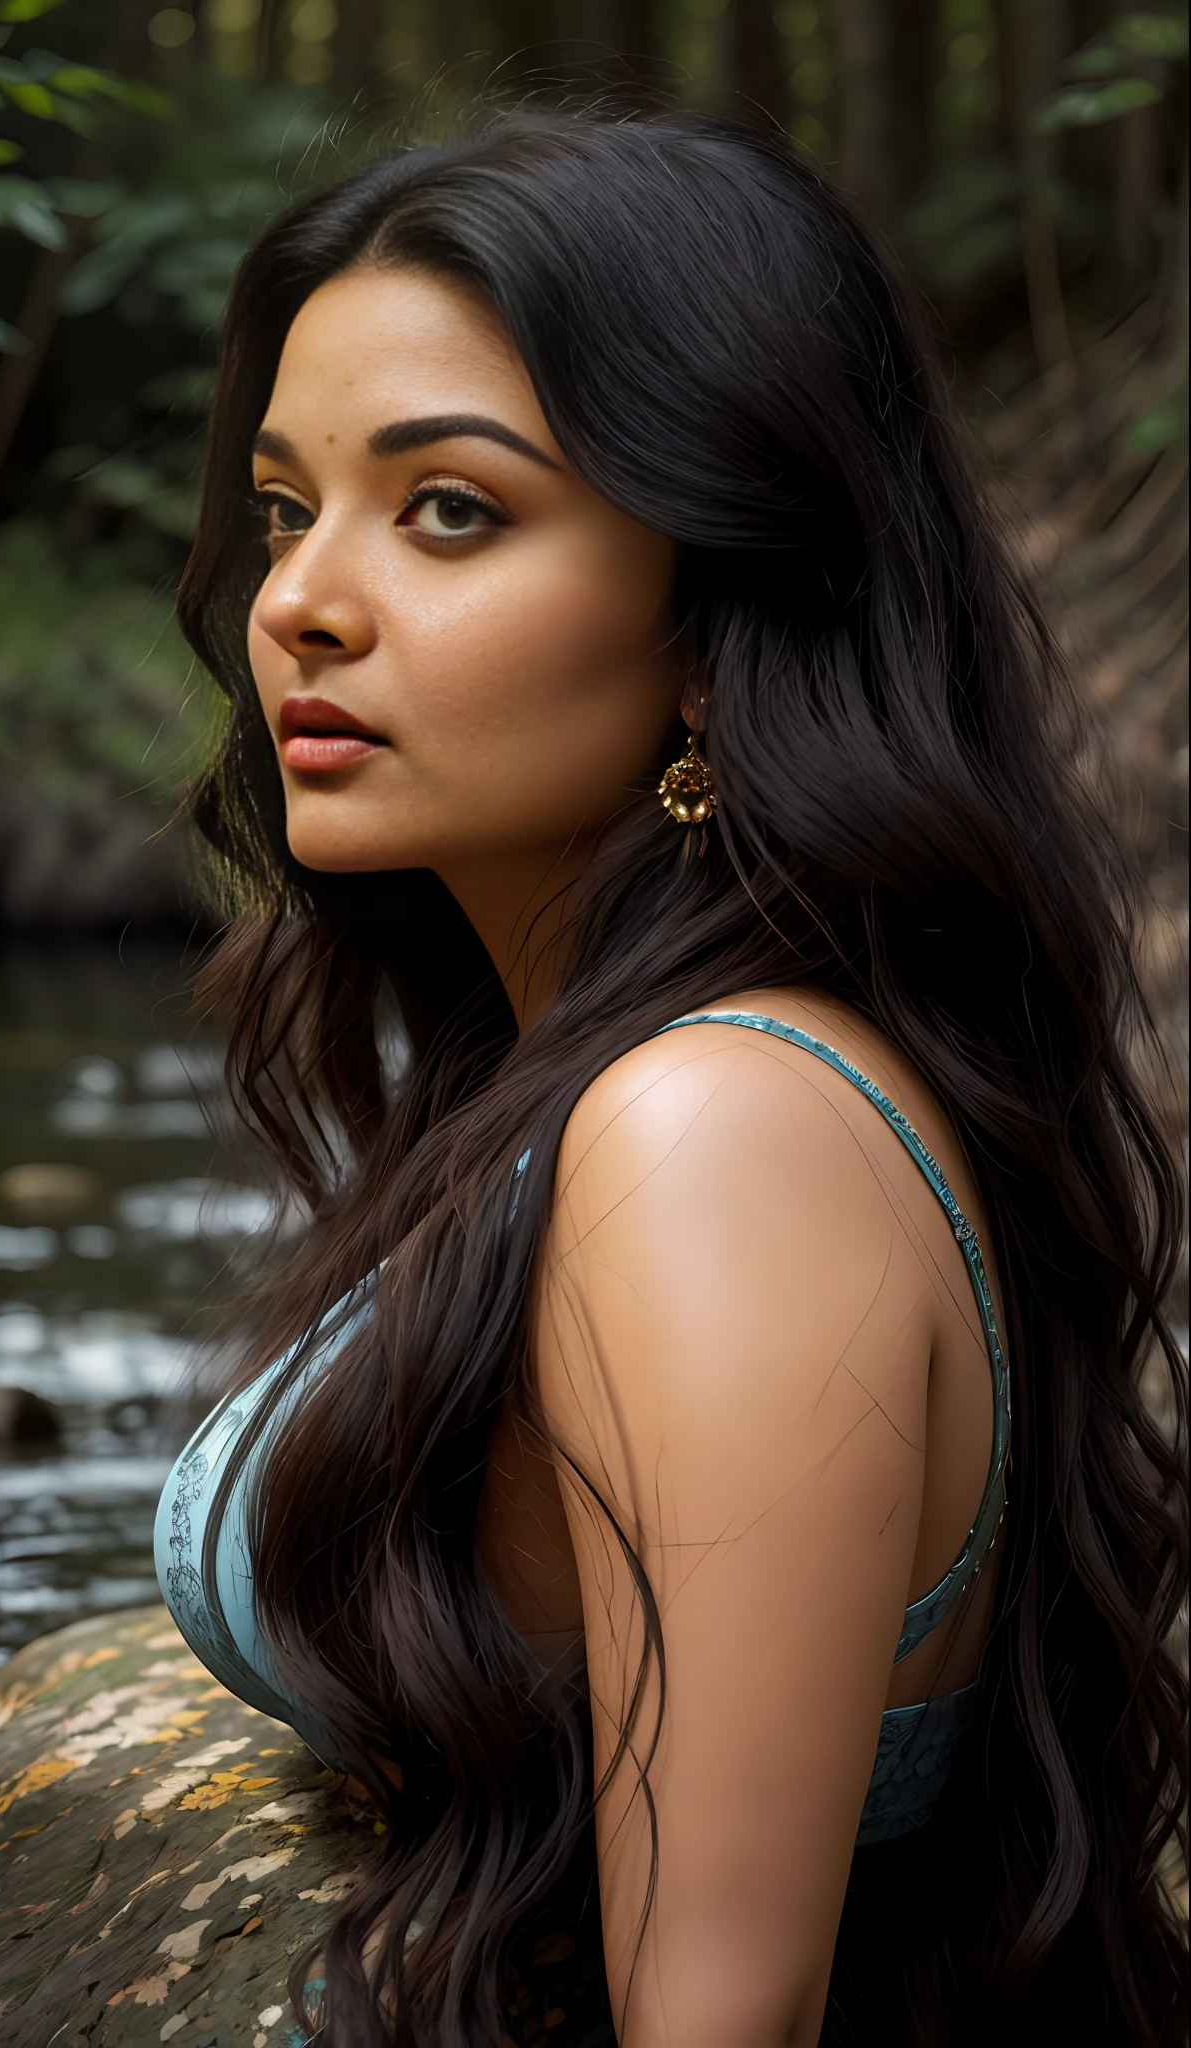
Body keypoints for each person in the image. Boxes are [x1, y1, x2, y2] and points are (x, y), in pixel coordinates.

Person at [154, 111, 1187, 2047]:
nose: (296, 598)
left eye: (448, 507)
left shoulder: (715, 1130)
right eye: (288, 509)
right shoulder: (627, 1068)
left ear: (713, 613)